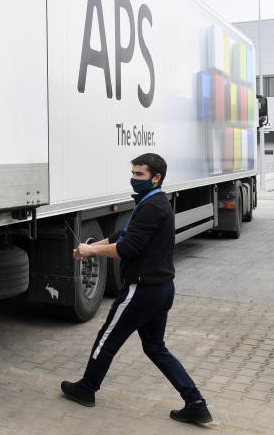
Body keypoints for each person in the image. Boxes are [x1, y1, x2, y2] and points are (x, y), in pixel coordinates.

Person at [60, 152, 212, 424]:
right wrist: (91, 249)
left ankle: (86, 389)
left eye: (139, 174)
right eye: (132, 173)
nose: (133, 178)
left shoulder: (153, 206)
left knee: (106, 339)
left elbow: (127, 248)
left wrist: (89, 249)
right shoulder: (150, 202)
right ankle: (196, 402)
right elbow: (121, 236)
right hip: (161, 289)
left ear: (157, 178)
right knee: (155, 348)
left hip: (142, 291)